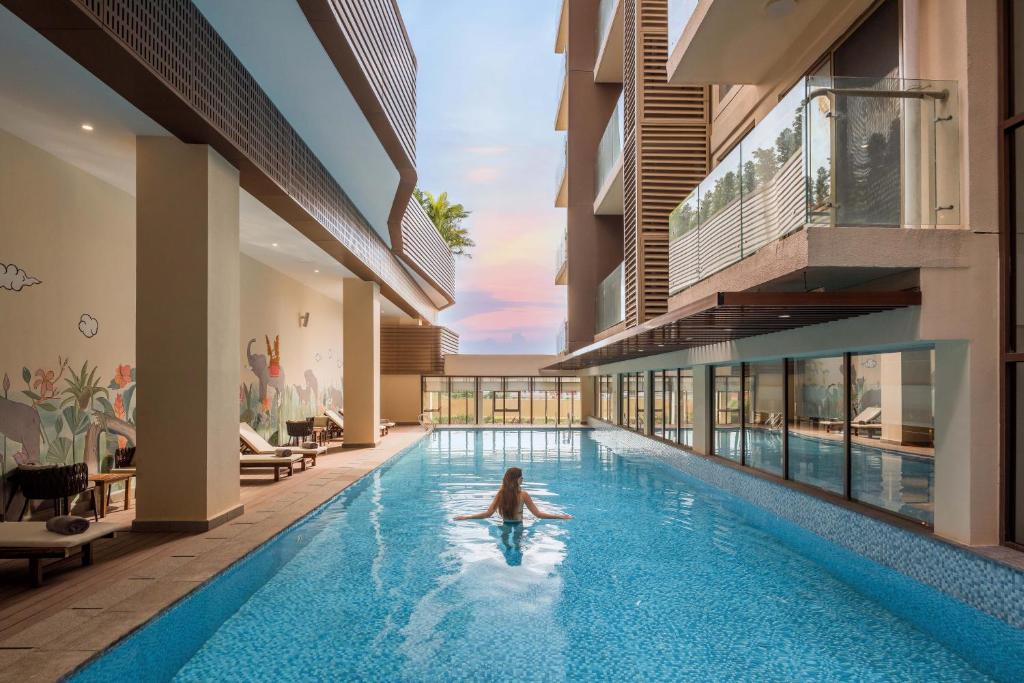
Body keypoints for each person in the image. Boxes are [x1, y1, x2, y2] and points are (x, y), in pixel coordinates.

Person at [454, 467, 572, 522]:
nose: (523, 479)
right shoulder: (523, 495)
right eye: (521, 477)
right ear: (516, 480)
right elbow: (538, 514)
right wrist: (560, 516)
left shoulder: (500, 494)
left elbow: (487, 514)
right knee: (517, 546)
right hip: (518, 526)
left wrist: (467, 517)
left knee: (507, 546)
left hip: (504, 526)